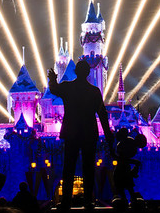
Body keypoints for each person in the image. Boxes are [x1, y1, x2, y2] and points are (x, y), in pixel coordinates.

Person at [48, 60, 114, 210]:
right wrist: (109, 135)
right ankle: (88, 201)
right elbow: (102, 114)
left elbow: (53, 89)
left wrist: (52, 78)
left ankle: (65, 201)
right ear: (88, 73)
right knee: (88, 167)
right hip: (88, 133)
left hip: (71, 132)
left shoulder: (68, 87)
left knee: (68, 167)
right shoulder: (94, 91)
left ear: (76, 72)